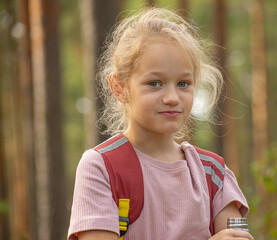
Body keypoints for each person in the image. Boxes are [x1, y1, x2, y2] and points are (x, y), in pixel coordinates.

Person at [68, 7, 254, 240]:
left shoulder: (213, 173)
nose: (172, 98)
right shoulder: (102, 167)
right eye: (155, 83)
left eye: (184, 83)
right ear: (120, 87)